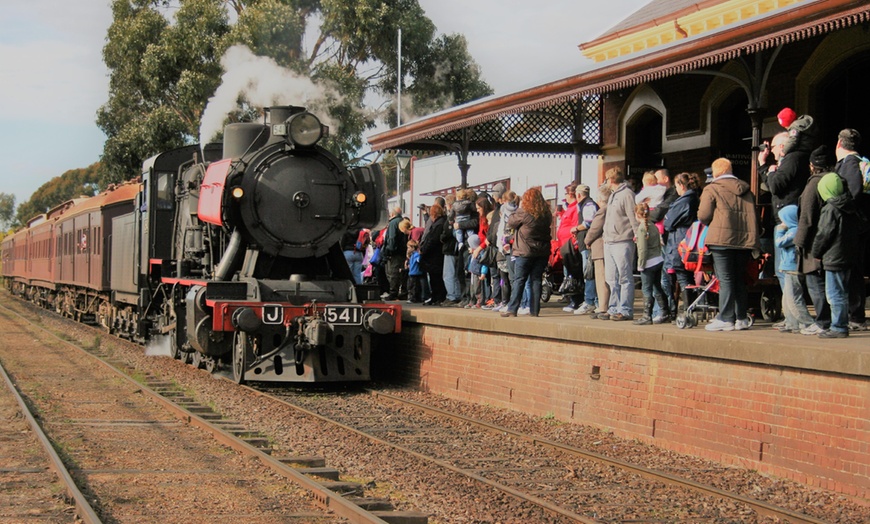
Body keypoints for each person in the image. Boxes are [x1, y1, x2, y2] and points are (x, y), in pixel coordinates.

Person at [697, 158, 760, 331]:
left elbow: (703, 215)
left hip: (721, 239)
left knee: (725, 279)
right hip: (745, 241)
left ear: (715, 172)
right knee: (740, 279)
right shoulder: (747, 190)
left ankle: (725, 317)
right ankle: (741, 318)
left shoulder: (712, 188)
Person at [812, 173, 866, 338]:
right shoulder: (851, 207)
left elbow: (824, 234)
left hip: (833, 257)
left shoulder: (830, 209)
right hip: (847, 255)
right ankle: (841, 324)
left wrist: (816, 252)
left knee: (834, 293)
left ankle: (839, 326)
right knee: (843, 292)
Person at [794, 145, 832, 334]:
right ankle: (836, 320)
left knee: (815, 282)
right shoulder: (836, 180)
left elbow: (807, 218)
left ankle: (823, 321)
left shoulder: (813, 184)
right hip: (833, 240)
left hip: (814, 241)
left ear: (812, 166)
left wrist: (799, 243)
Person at [834, 128, 869, 331]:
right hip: (859, 225)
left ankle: (854, 315)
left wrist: (836, 206)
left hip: (852, 226)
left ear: (839, 144)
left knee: (851, 269)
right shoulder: (861, 162)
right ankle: (854, 314)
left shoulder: (850, 165)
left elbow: (853, 193)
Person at [501, 187, 553, 317]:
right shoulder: (546, 215)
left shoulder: (523, 213)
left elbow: (511, 221)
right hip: (542, 252)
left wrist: (517, 207)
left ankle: (512, 309)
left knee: (519, 280)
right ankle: (534, 310)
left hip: (525, 252)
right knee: (536, 280)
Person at [602, 167, 639, 321]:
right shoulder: (612, 196)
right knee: (611, 278)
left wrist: (637, 234)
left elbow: (633, 216)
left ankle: (625, 309)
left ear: (611, 180)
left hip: (622, 240)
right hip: (609, 240)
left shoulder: (627, 195)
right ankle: (613, 307)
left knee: (624, 277)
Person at [663, 172, 701, 316]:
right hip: (689, 240)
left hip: (680, 241)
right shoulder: (694, 198)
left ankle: (687, 309)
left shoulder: (684, 201)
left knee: (682, 276)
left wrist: (668, 219)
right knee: (687, 276)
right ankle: (690, 307)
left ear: (681, 185)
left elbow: (668, 222)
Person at [774, 205, 815, 333]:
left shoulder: (794, 231)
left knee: (793, 299)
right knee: (786, 298)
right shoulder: (793, 229)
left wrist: (779, 230)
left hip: (792, 267)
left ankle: (808, 323)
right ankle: (792, 323)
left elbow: (779, 242)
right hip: (788, 267)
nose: (782, 223)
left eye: (783, 220)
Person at [633, 203, 669, 325]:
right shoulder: (652, 225)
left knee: (646, 289)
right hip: (658, 260)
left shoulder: (642, 228)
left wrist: (640, 265)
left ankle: (646, 315)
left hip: (648, 263)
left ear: (637, 215)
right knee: (657, 287)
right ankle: (665, 311)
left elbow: (642, 249)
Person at [584, 184, 612, 319]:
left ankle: (603, 307)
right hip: (608, 247)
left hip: (600, 248)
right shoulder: (612, 209)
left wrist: (586, 240)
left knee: (601, 278)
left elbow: (594, 229)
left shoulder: (602, 211)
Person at [572, 184, 599, 314]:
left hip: (588, 243)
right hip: (585, 243)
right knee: (587, 271)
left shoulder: (588, 205)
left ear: (578, 194)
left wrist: (576, 228)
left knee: (589, 272)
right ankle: (590, 299)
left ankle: (590, 301)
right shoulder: (584, 204)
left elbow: (588, 222)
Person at [556, 182, 581, 312]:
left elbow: (575, 226)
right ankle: (571, 299)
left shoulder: (575, 208)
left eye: (566, 193)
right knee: (569, 275)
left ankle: (576, 301)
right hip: (565, 246)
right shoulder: (569, 208)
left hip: (570, 246)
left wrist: (573, 244)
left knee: (573, 275)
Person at [419, 203, 447, 305]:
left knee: (435, 278)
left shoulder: (438, 225)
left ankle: (437, 297)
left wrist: (424, 249)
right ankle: (436, 297)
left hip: (434, 256)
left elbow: (433, 240)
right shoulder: (441, 223)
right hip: (435, 255)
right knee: (435, 278)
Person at [382, 207, 408, 301]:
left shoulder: (393, 223)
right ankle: (404, 292)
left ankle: (393, 293)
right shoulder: (403, 221)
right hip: (403, 251)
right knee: (403, 273)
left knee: (393, 273)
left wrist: (389, 250)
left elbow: (392, 238)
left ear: (392, 214)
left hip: (395, 253)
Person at [405, 239, 423, 303]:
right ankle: (413, 297)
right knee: (411, 286)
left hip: (415, 273)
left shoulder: (416, 255)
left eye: (408, 247)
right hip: (412, 272)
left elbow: (418, 260)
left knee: (414, 286)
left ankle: (414, 298)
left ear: (412, 248)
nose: (408, 249)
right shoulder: (412, 255)